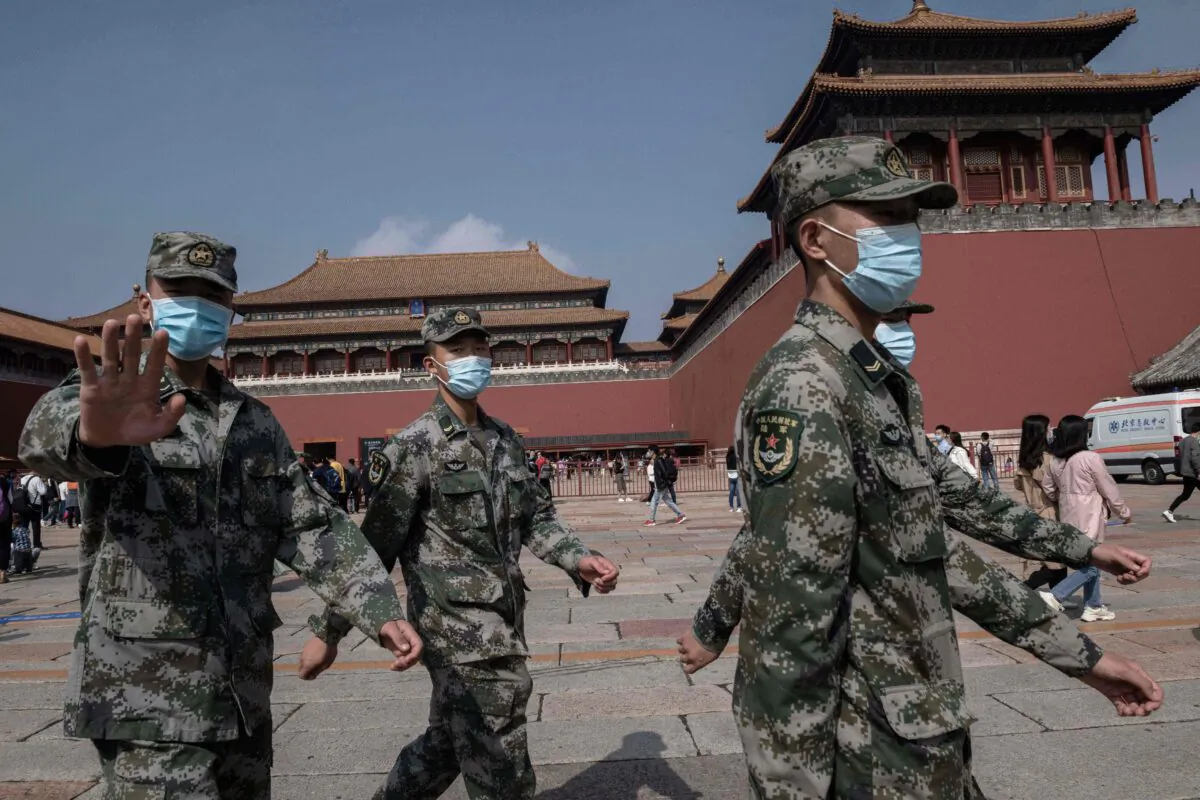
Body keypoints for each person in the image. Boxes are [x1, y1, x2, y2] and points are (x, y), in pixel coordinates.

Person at [673, 137, 1161, 797]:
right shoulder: (804, 386)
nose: (907, 236)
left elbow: (931, 546)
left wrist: (1082, 652)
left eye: (910, 217)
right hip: (863, 753)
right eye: (885, 217)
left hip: (917, 734)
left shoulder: (873, 384)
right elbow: (792, 614)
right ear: (816, 239)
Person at [18, 232, 421, 799]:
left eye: (212, 296)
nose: (196, 306)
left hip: (241, 695)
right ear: (144, 301)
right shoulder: (116, 395)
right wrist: (96, 438)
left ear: (230, 310)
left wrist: (377, 609)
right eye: (178, 289)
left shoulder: (255, 423)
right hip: (146, 691)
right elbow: (42, 436)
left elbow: (309, 525)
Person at [297, 307, 620, 800]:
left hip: (505, 616)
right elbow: (373, 547)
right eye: (458, 350)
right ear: (433, 365)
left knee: (450, 741)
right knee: (499, 750)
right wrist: (330, 630)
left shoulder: (505, 441)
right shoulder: (413, 447)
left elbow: (537, 517)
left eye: (479, 348)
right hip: (454, 627)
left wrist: (578, 558)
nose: (473, 358)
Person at [1040, 415, 1132, 622]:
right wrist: (1123, 512)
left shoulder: (1056, 460)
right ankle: (1056, 595)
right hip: (1089, 515)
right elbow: (1108, 487)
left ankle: (1094, 605)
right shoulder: (1090, 458)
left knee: (1090, 559)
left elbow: (1048, 487)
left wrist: (1063, 497)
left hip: (1068, 514)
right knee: (1093, 564)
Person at [1013, 414, 1068, 591]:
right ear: (1040, 432)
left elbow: (1019, 486)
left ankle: (1057, 594)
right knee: (1055, 561)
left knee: (1052, 558)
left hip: (1032, 511)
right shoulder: (1048, 459)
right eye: (1048, 428)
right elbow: (1054, 488)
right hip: (1048, 511)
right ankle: (1025, 588)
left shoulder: (1024, 459)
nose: (1051, 431)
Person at [872, 300, 933, 368]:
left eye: (895, 310)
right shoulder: (866, 323)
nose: (888, 311)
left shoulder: (905, 340)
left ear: (908, 315)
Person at [1164, 420, 1200, 522]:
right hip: (1193, 473)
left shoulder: (1183, 441)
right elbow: (1195, 458)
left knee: (1185, 495)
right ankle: (1169, 511)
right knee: (1185, 495)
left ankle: (1169, 511)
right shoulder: (1194, 442)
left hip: (1185, 472)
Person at [644, 445, 686, 527]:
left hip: (661, 485)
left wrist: (664, 483)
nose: (648, 453)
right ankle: (680, 515)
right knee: (668, 501)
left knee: (654, 502)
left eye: (649, 451)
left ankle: (651, 520)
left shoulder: (658, 460)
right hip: (661, 484)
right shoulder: (657, 460)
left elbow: (664, 472)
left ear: (652, 451)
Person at [725, 447, 741, 513]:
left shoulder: (727, 457)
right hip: (736, 476)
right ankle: (739, 507)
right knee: (738, 492)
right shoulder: (735, 457)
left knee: (731, 492)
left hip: (731, 476)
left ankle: (731, 507)